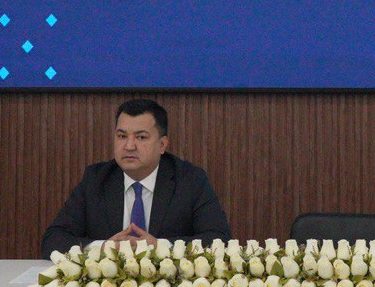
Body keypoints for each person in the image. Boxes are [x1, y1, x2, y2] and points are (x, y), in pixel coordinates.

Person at [40, 99, 231, 256]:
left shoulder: (190, 180)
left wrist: (161, 247)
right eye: (122, 136)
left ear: (162, 145)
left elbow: (220, 240)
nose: (129, 146)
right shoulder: (96, 179)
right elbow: (53, 240)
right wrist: (102, 248)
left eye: (141, 137)